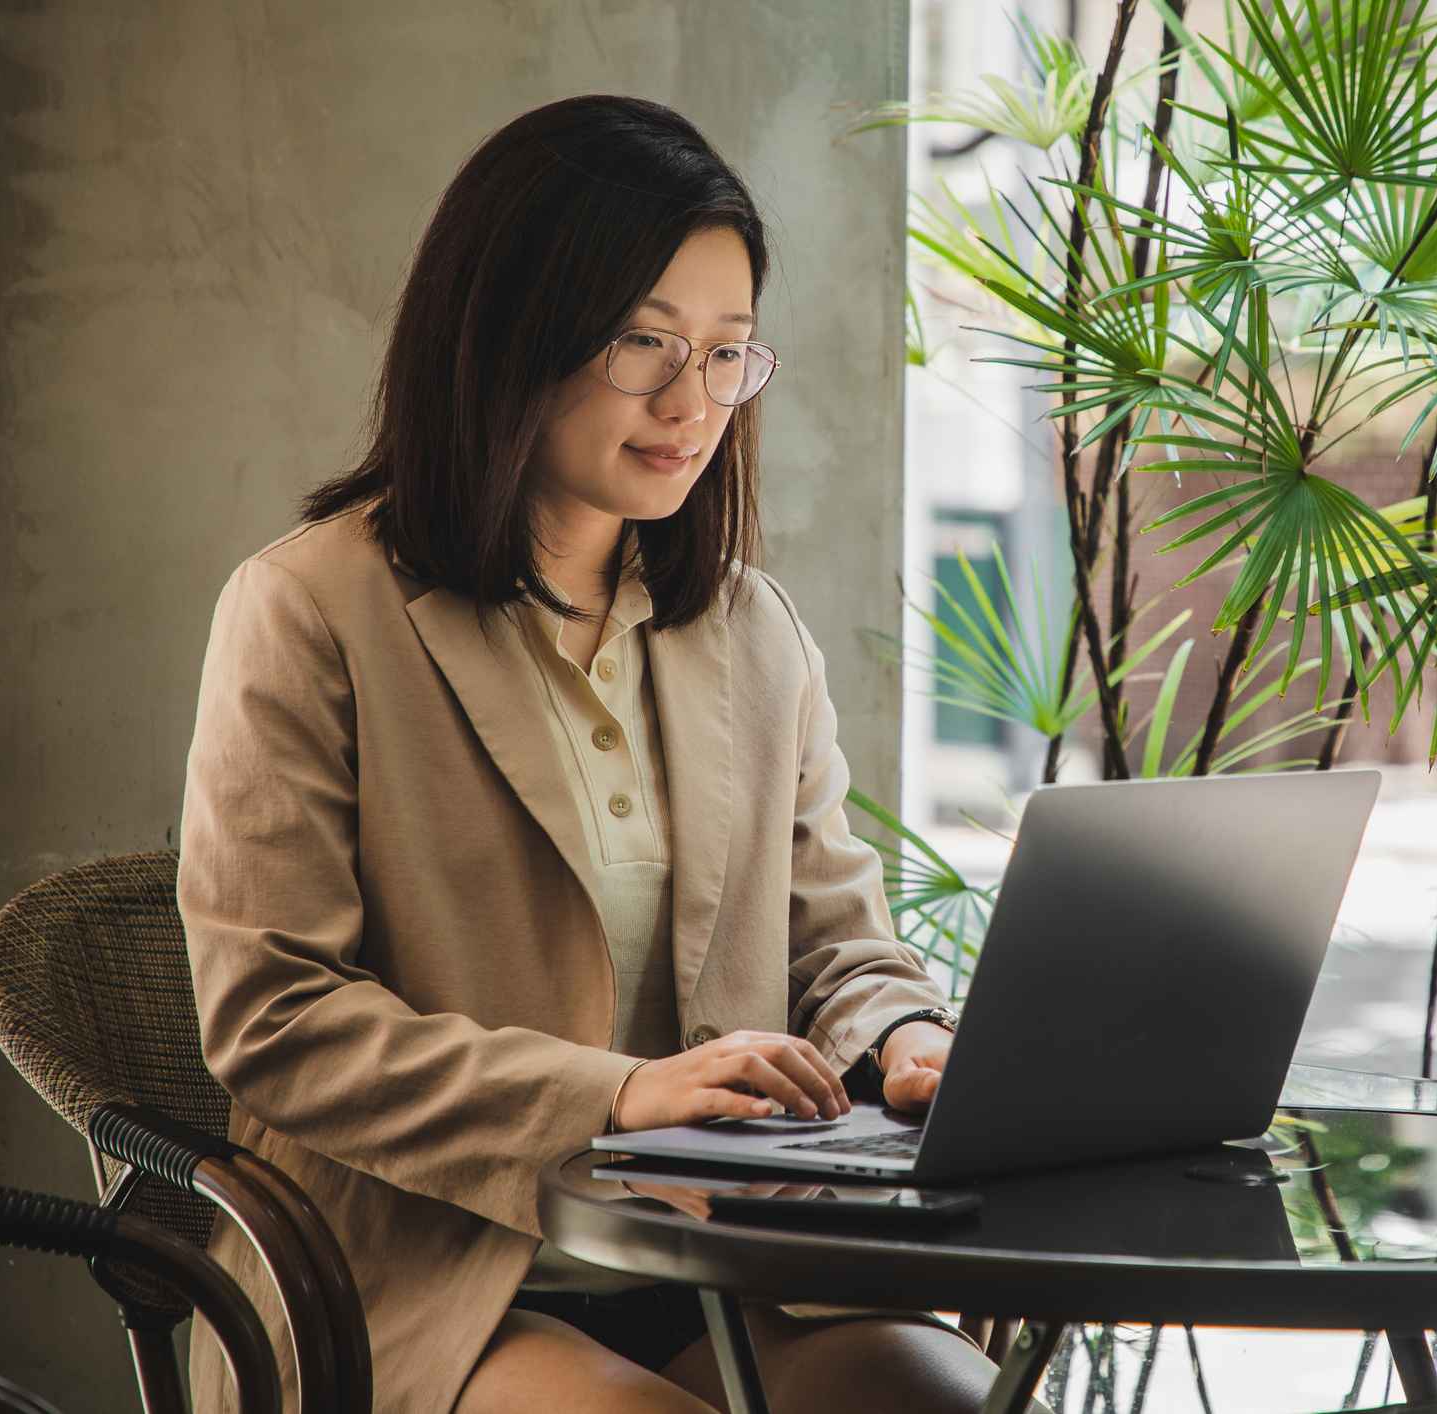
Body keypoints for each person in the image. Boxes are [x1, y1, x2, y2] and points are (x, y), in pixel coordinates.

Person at [177, 94, 1040, 1414]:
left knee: (957, 1400)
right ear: (514, 328)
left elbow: (837, 946)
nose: (690, 401)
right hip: (431, 1275)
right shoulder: (310, 607)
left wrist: (906, 1033)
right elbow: (276, 1017)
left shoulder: (749, 627)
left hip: (733, 1264)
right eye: (645, 341)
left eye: (727, 352)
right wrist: (621, 1091)